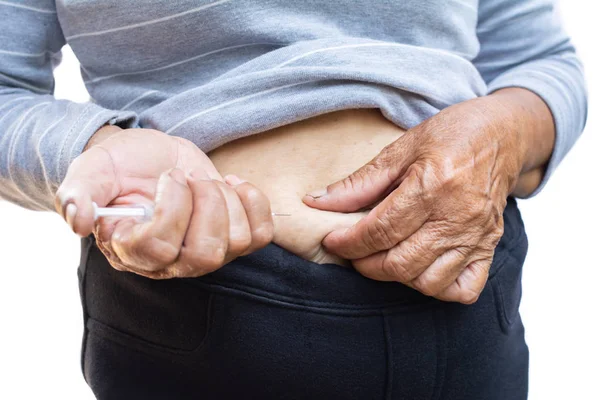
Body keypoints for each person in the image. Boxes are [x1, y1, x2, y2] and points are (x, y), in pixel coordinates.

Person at [0, 0, 587, 399]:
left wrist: (503, 136)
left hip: (461, 290)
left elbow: (539, 61)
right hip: (201, 307)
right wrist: (97, 150)